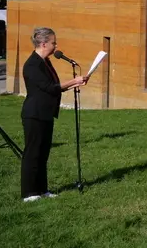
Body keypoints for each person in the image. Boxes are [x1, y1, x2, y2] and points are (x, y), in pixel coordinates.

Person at [21, 27, 88, 202]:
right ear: (44, 44)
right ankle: (29, 193)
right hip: (34, 114)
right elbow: (48, 88)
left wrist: (75, 84)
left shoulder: (46, 62)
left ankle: (42, 190)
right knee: (33, 153)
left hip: (46, 113)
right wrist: (73, 81)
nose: (56, 45)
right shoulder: (32, 65)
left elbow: (53, 88)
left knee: (43, 154)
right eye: (53, 42)